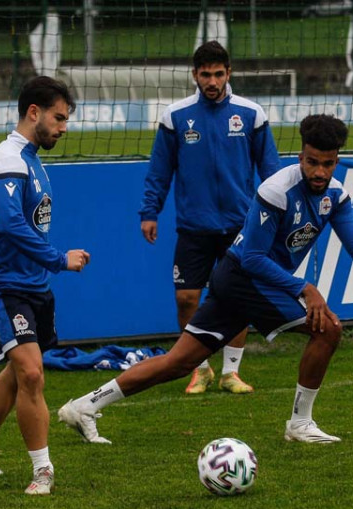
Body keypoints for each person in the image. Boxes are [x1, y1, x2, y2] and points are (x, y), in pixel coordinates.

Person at [58, 114, 353, 445]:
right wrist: (304, 287)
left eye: (327, 164)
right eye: (312, 162)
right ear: (300, 156)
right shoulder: (276, 191)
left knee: (179, 362)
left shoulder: (337, 194)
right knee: (327, 329)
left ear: (336, 161)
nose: (319, 172)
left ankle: (84, 406)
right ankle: (300, 423)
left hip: (243, 280)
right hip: (244, 278)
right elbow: (253, 258)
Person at [0, 76, 88, 495]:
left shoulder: (29, 159)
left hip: (32, 285)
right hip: (8, 286)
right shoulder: (8, 158)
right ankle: (43, 470)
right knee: (31, 373)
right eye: (59, 117)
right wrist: (58, 259)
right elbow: (10, 224)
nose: (64, 127)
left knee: (17, 374)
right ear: (35, 112)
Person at [139, 40, 281, 396]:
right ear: (195, 75)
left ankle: (231, 372)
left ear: (228, 73)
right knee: (187, 298)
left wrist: (280, 215)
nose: (212, 81)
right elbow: (160, 171)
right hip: (194, 226)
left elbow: (272, 172)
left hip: (240, 226)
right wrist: (149, 211)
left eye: (219, 74)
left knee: (237, 299)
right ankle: (199, 369)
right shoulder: (175, 116)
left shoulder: (251, 114)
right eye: (206, 74)